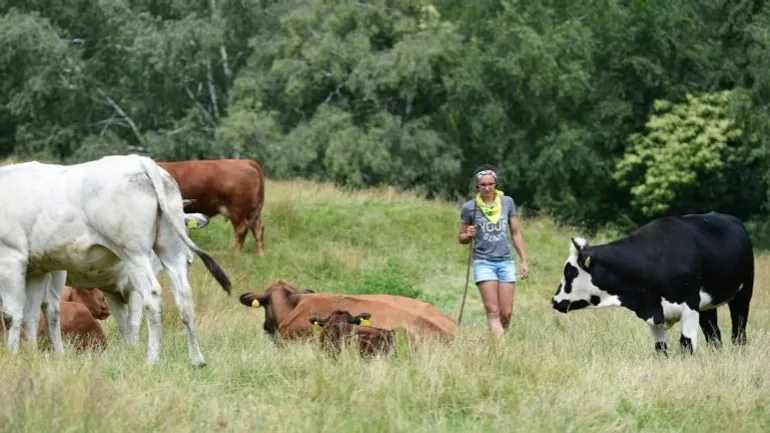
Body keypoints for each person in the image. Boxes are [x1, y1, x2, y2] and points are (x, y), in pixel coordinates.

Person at [457, 164, 529, 337]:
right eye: (483, 184)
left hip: (505, 261)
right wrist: (468, 234)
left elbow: (516, 233)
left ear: (496, 184)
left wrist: (524, 260)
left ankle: (495, 339)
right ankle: (501, 349)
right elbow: (461, 238)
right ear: (477, 186)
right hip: (483, 261)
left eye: (491, 184)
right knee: (493, 311)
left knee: (506, 313)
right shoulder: (470, 207)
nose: (487, 188)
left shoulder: (507, 202)